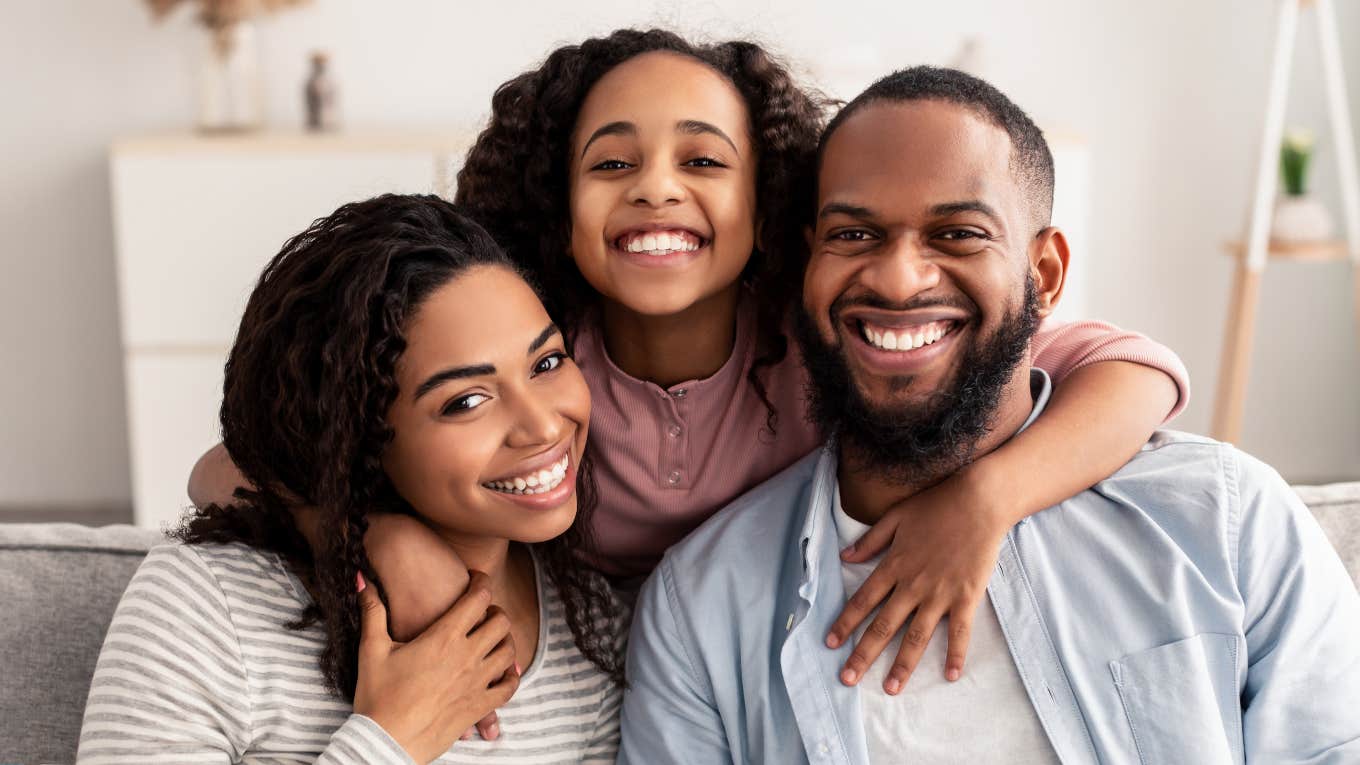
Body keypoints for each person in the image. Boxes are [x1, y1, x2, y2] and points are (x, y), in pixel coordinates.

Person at [190, 29, 1190, 693]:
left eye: (704, 161)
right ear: (556, 203)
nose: (656, 190)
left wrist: (983, 500)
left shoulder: (830, 338)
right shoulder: (541, 364)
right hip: (614, 675)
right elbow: (225, 464)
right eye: (611, 163)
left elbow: (1134, 370)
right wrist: (368, 528)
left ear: (770, 205)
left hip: (793, 650)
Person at [620, 66, 1360, 764]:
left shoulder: (1227, 522)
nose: (898, 277)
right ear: (809, 262)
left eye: (957, 234)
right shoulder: (702, 606)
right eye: (854, 234)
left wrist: (988, 495)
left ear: (1044, 275)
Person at [78, 196, 625, 764]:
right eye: (465, 401)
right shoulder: (208, 605)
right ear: (361, 436)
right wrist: (394, 737)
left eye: (546, 363)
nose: (542, 425)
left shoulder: (589, 627)